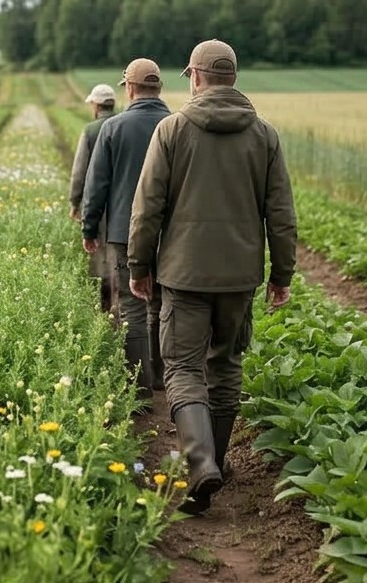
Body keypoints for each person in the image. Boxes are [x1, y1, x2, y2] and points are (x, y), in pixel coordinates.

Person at [127, 39, 297, 515]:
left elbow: (148, 208)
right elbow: (280, 214)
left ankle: (200, 466)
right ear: (233, 77)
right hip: (240, 277)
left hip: (183, 275)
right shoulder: (264, 135)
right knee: (225, 366)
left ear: (196, 77)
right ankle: (214, 460)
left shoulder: (172, 130)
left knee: (182, 367)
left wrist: (139, 266)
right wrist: (281, 273)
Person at [81, 58, 171, 404]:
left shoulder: (113, 128)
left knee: (132, 305)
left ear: (129, 89)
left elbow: (96, 185)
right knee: (162, 301)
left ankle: (140, 387)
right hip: (169, 231)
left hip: (123, 232)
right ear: (159, 88)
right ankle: (163, 375)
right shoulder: (176, 124)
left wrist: (90, 227)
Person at [69, 83, 118, 308]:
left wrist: (75, 202)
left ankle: (106, 298)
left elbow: (80, 171)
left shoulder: (90, 130)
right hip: (124, 199)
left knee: (101, 252)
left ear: (96, 106)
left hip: (99, 199)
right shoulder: (122, 125)